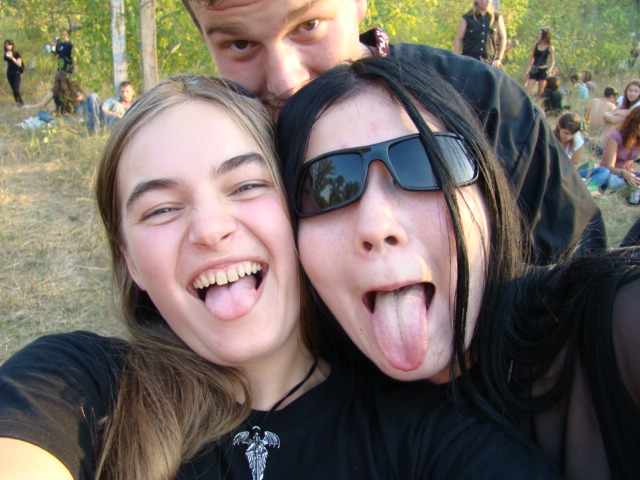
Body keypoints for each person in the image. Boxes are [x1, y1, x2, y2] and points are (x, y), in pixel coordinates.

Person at [0, 75, 561, 480]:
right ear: (129, 261)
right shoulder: (79, 390)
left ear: (299, 210)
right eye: (162, 209)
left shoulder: (429, 436)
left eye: (247, 186)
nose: (211, 230)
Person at [277, 56, 640, 480]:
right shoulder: (311, 422)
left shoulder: (618, 326)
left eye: (426, 163)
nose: (376, 225)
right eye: (326, 188)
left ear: (486, 191)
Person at [180, 0, 605, 265]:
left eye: (308, 26)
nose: (285, 81)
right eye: (240, 45)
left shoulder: (482, 103)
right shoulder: (215, 157)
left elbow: (576, 274)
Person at [580, 106, 640, 192]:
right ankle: (589, 190)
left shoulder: (637, 139)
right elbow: (609, 167)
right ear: (634, 123)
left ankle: (632, 190)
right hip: (613, 175)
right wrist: (624, 174)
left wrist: (631, 176)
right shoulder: (617, 137)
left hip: (630, 175)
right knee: (608, 177)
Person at [453, 0, 507, 68]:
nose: (488, 1)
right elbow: (459, 39)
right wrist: (456, 59)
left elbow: (503, 38)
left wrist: (498, 58)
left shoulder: (497, 17)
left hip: (489, 65)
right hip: (469, 64)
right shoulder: (467, 17)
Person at [523, 28, 556, 98]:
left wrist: (550, 70)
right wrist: (527, 71)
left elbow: (553, 61)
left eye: (540, 34)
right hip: (534, 68)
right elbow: (531, 58)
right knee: (528, 90)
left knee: (540, 92)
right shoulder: (536, 45)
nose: (538, 35)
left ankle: (538, 104)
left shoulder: (550, 47)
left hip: (543, 70)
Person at [4, 39, 24, 104]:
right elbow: (7, 64)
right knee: (13, 90)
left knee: (16, 89)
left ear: (12, 45)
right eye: (7, 45)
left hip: (16, 73)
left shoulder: (16, 53)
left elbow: (19, 64)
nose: (8, 46)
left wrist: (12, 57)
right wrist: (5, 76)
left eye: (10, 44)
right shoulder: (6, 54)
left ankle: (21, 103)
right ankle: (18, 103)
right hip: (9, 73)